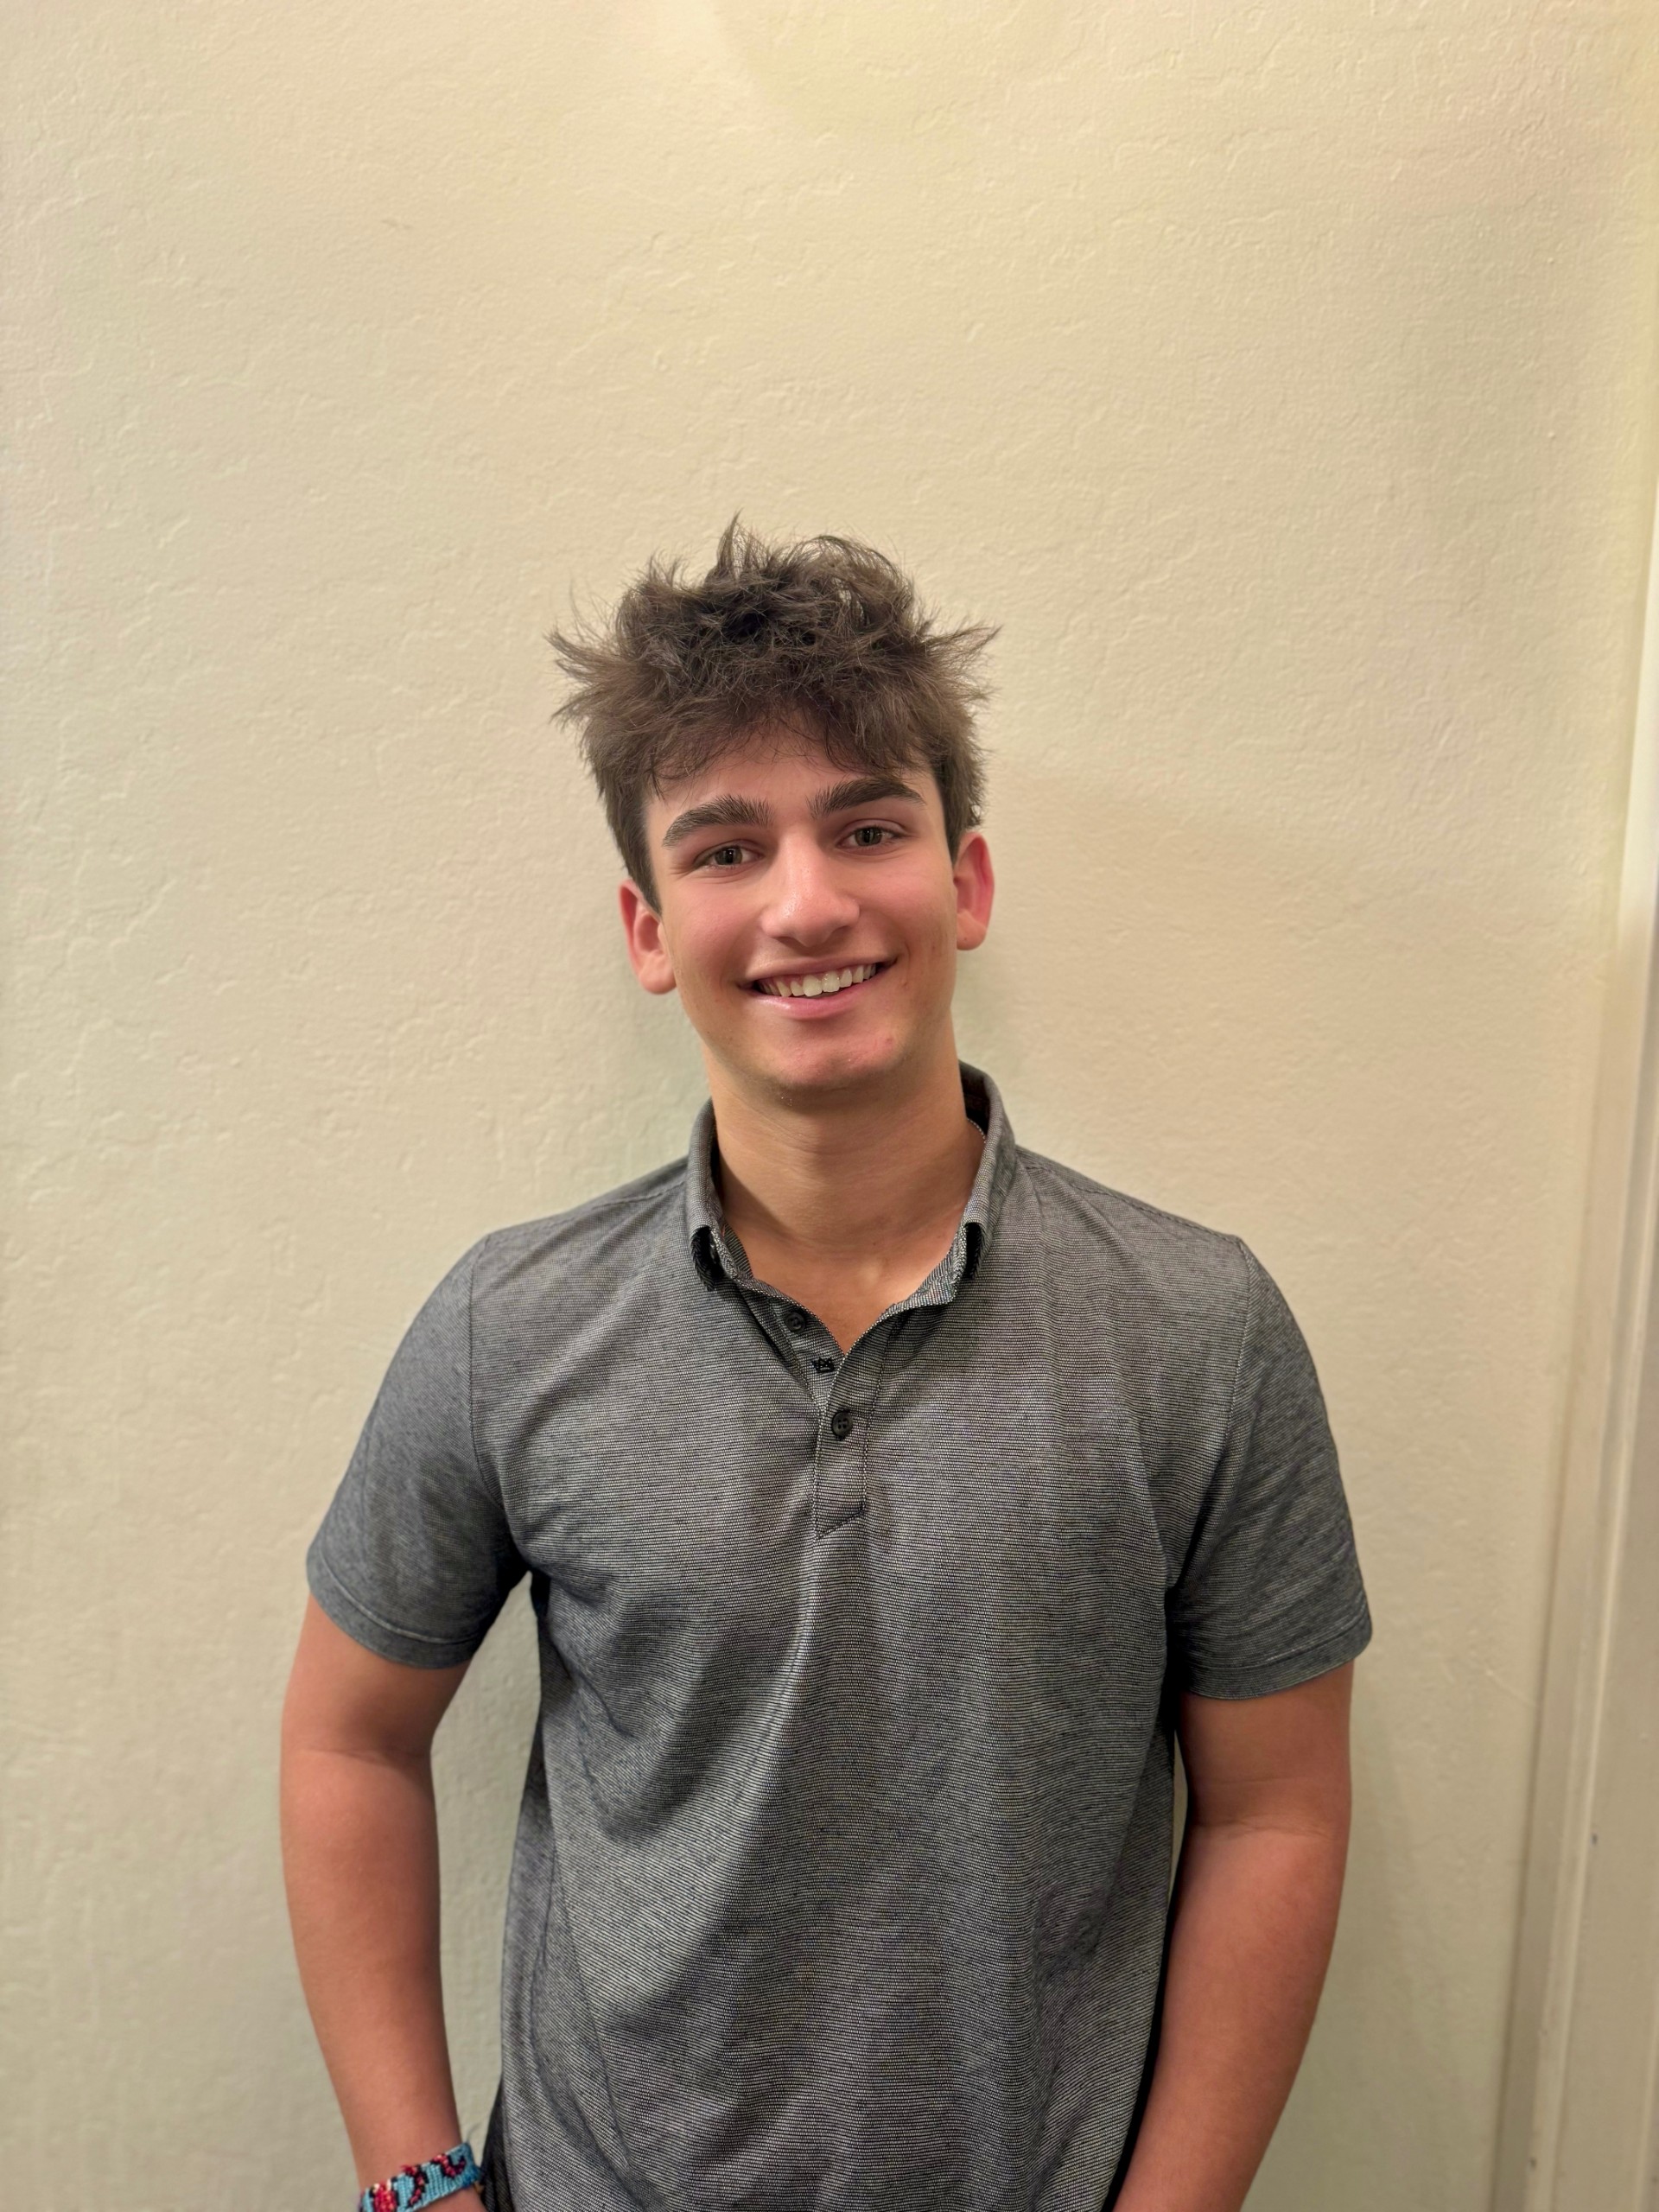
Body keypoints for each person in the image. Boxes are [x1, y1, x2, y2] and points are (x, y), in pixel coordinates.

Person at [280, 518, 1373, 2212]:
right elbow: (346, 1743)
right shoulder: (513, 1326)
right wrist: (416, 2188)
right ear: (650, 927)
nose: (806, 901)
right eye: (727, 848)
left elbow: (1275, 1814)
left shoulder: (1195, 1329)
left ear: (966, 881)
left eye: (867, 826)